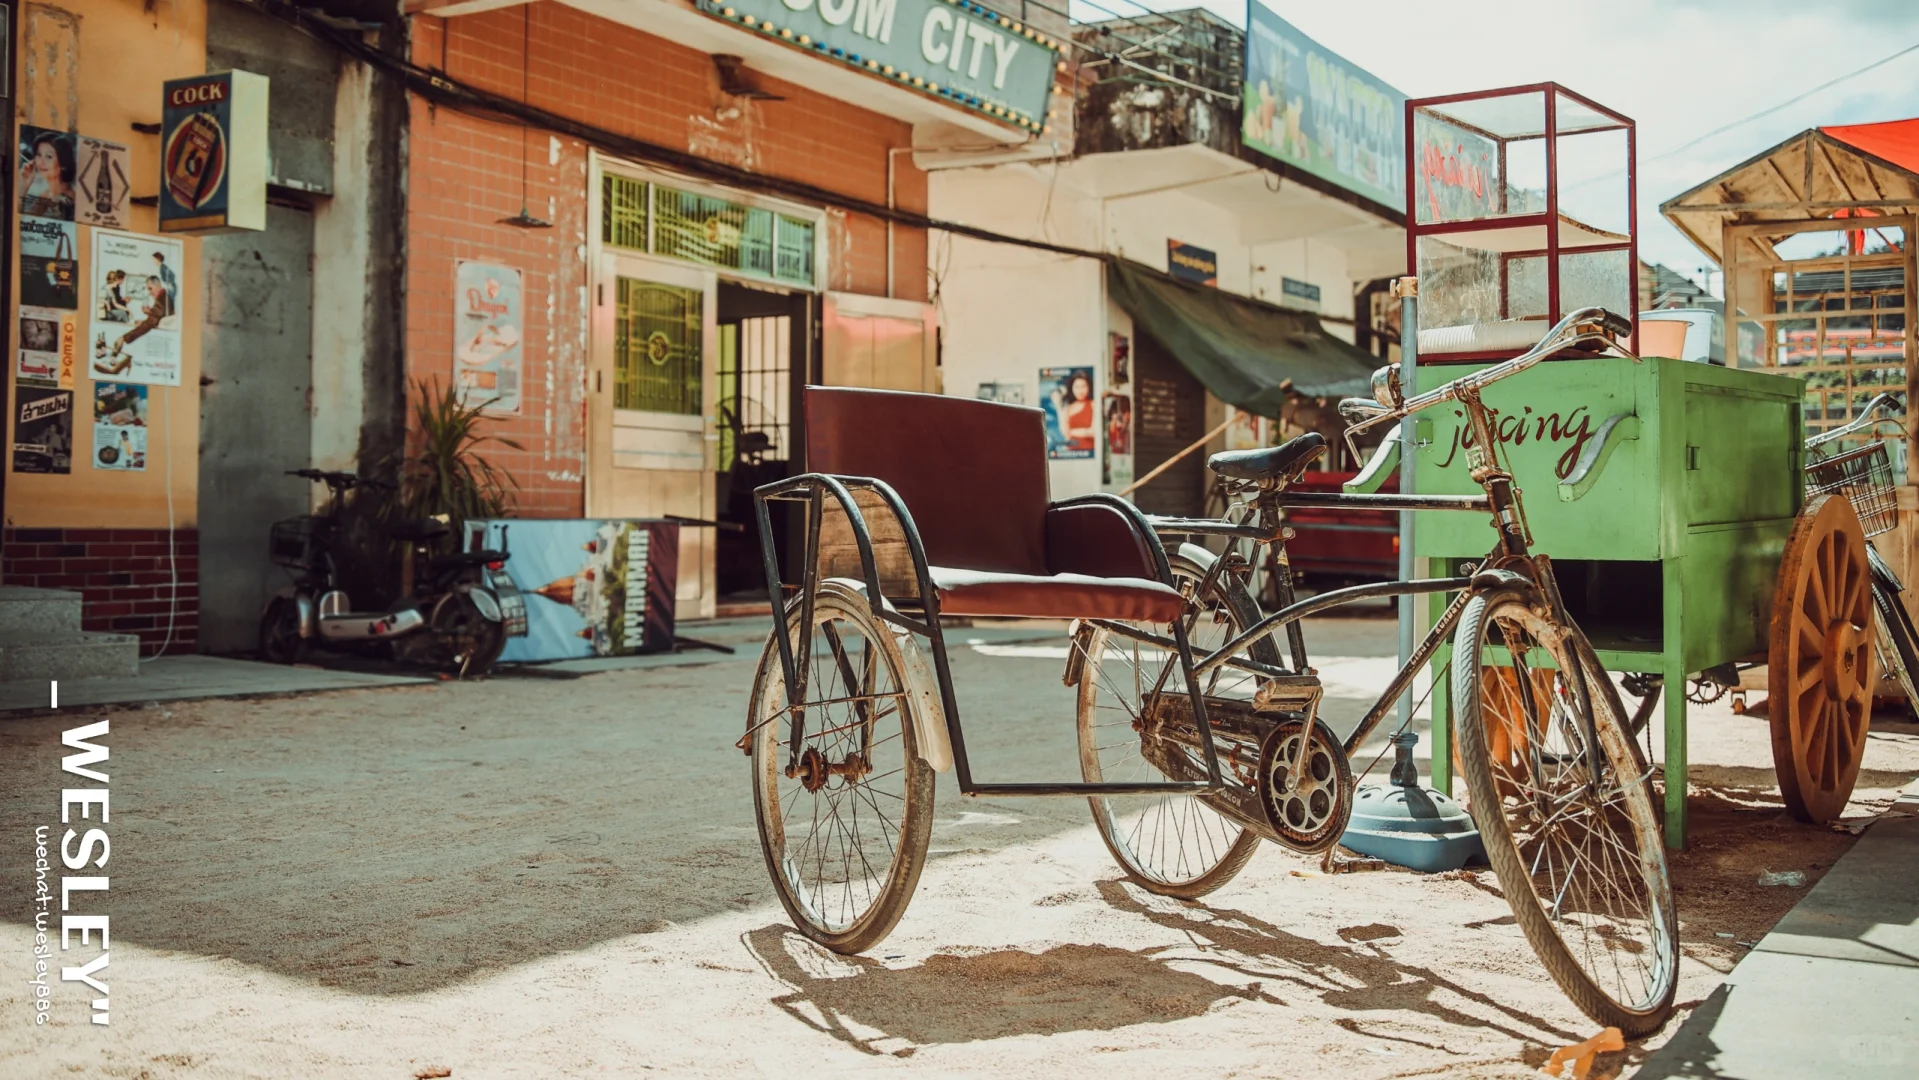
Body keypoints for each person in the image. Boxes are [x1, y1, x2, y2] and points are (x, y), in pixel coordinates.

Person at [19, 130, 75, 220]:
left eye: (48, 156)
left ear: (63, 163)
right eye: (39, 154)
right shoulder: (46, 195)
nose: (41, 162)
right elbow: (21, 223)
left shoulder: (71, 198)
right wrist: (25, 185)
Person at [1061, 372, 1096, 452]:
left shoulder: (1093, 404)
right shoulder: (1068, 408)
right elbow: (1066, 433)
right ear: (1072, 388)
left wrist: (1072, 432)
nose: (1080, 390)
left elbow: (1094, 432)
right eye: (1077, 387)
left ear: (1089, 387)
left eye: (1084, 386)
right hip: (1071, 452)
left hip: (1090, 451)